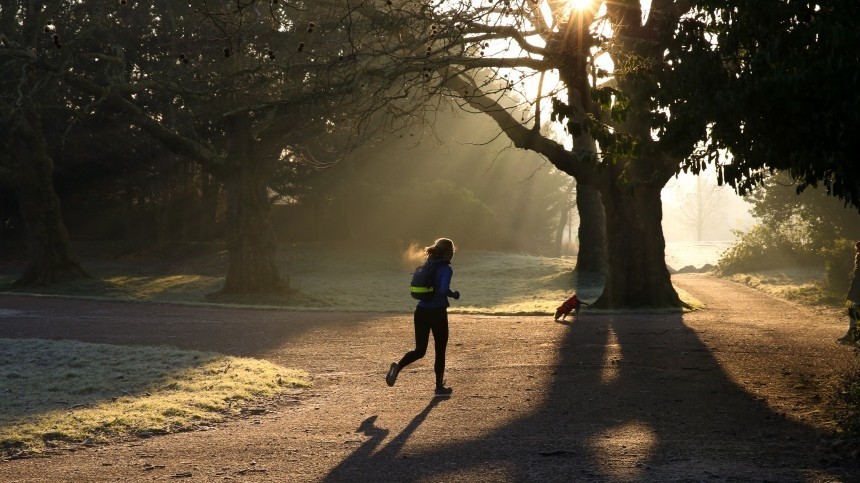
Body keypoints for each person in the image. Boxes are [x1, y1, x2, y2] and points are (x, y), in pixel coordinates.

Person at [386, 238, 460, 397]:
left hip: (421, 311)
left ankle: (398, 366)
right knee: (440, 350)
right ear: (448, 253)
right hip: (437, 313)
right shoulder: (446, 269)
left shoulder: (428, 264)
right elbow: (443, 289)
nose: (453, 254)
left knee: (420, 350)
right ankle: (439, 387)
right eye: (452, 251)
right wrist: (454, 294)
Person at [839, 241, 860, 343]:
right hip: (856, 291)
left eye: (858, 248)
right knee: (853, 311)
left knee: (853, 311)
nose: (856, 251)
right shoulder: (858, 260)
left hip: (857, 292)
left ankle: (852, 335)